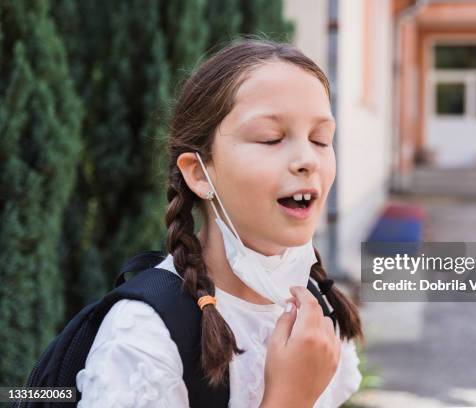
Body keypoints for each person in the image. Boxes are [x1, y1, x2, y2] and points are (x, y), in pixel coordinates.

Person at [75, 38, 364, 408]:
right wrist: (289, 398)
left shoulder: (317, 312)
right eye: (271, 138)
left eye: (321, 139)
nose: (308, 159)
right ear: (198, 173)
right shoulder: (143, 341)